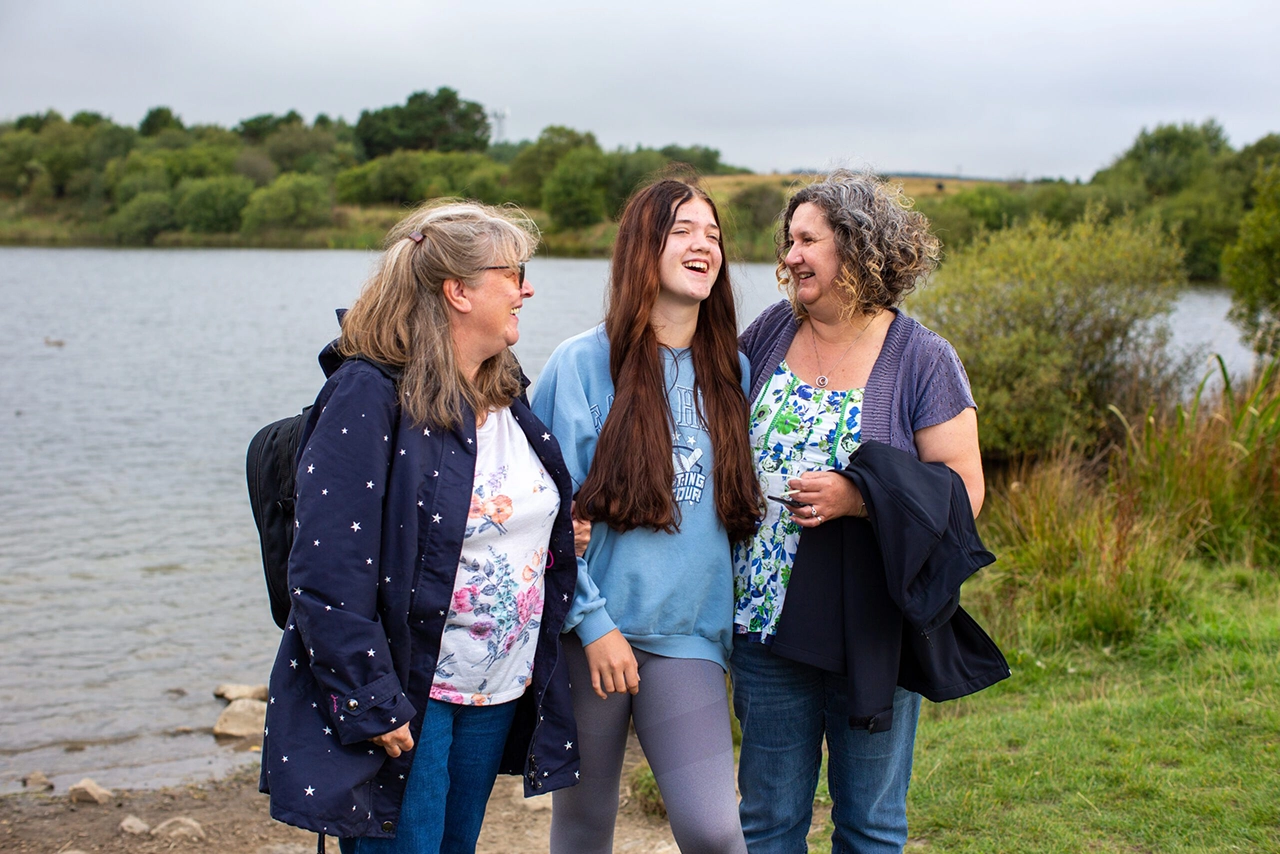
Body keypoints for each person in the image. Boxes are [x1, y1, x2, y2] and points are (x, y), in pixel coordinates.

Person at [259, 200, 581, 854]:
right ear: (457, 291)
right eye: (512, 271)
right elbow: (327, 565)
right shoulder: (368, 393)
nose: (527, 287)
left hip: (495, 686)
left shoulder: (503, 388)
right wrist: (367, 697)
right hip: (411, 692)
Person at [733, 169, 1001, 854]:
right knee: (766, 820)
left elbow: (964, 490)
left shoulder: (923, 358)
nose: (790, 256)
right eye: (788, 240)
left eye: (807, 241)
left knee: (871, 823)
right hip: (763, 619)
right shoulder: (766, 334)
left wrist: (859, 498)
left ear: (857, 248)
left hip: (871, 624)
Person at [531, 179, 760, 854]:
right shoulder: (578, 365)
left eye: (713, 234)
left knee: (714, 831)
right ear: (642, 248)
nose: (703, 245)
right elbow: (545, 519)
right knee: (582, 826)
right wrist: (592, 625)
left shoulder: (732, 372)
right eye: (683, 230)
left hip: (688, 637)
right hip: (592, 639)